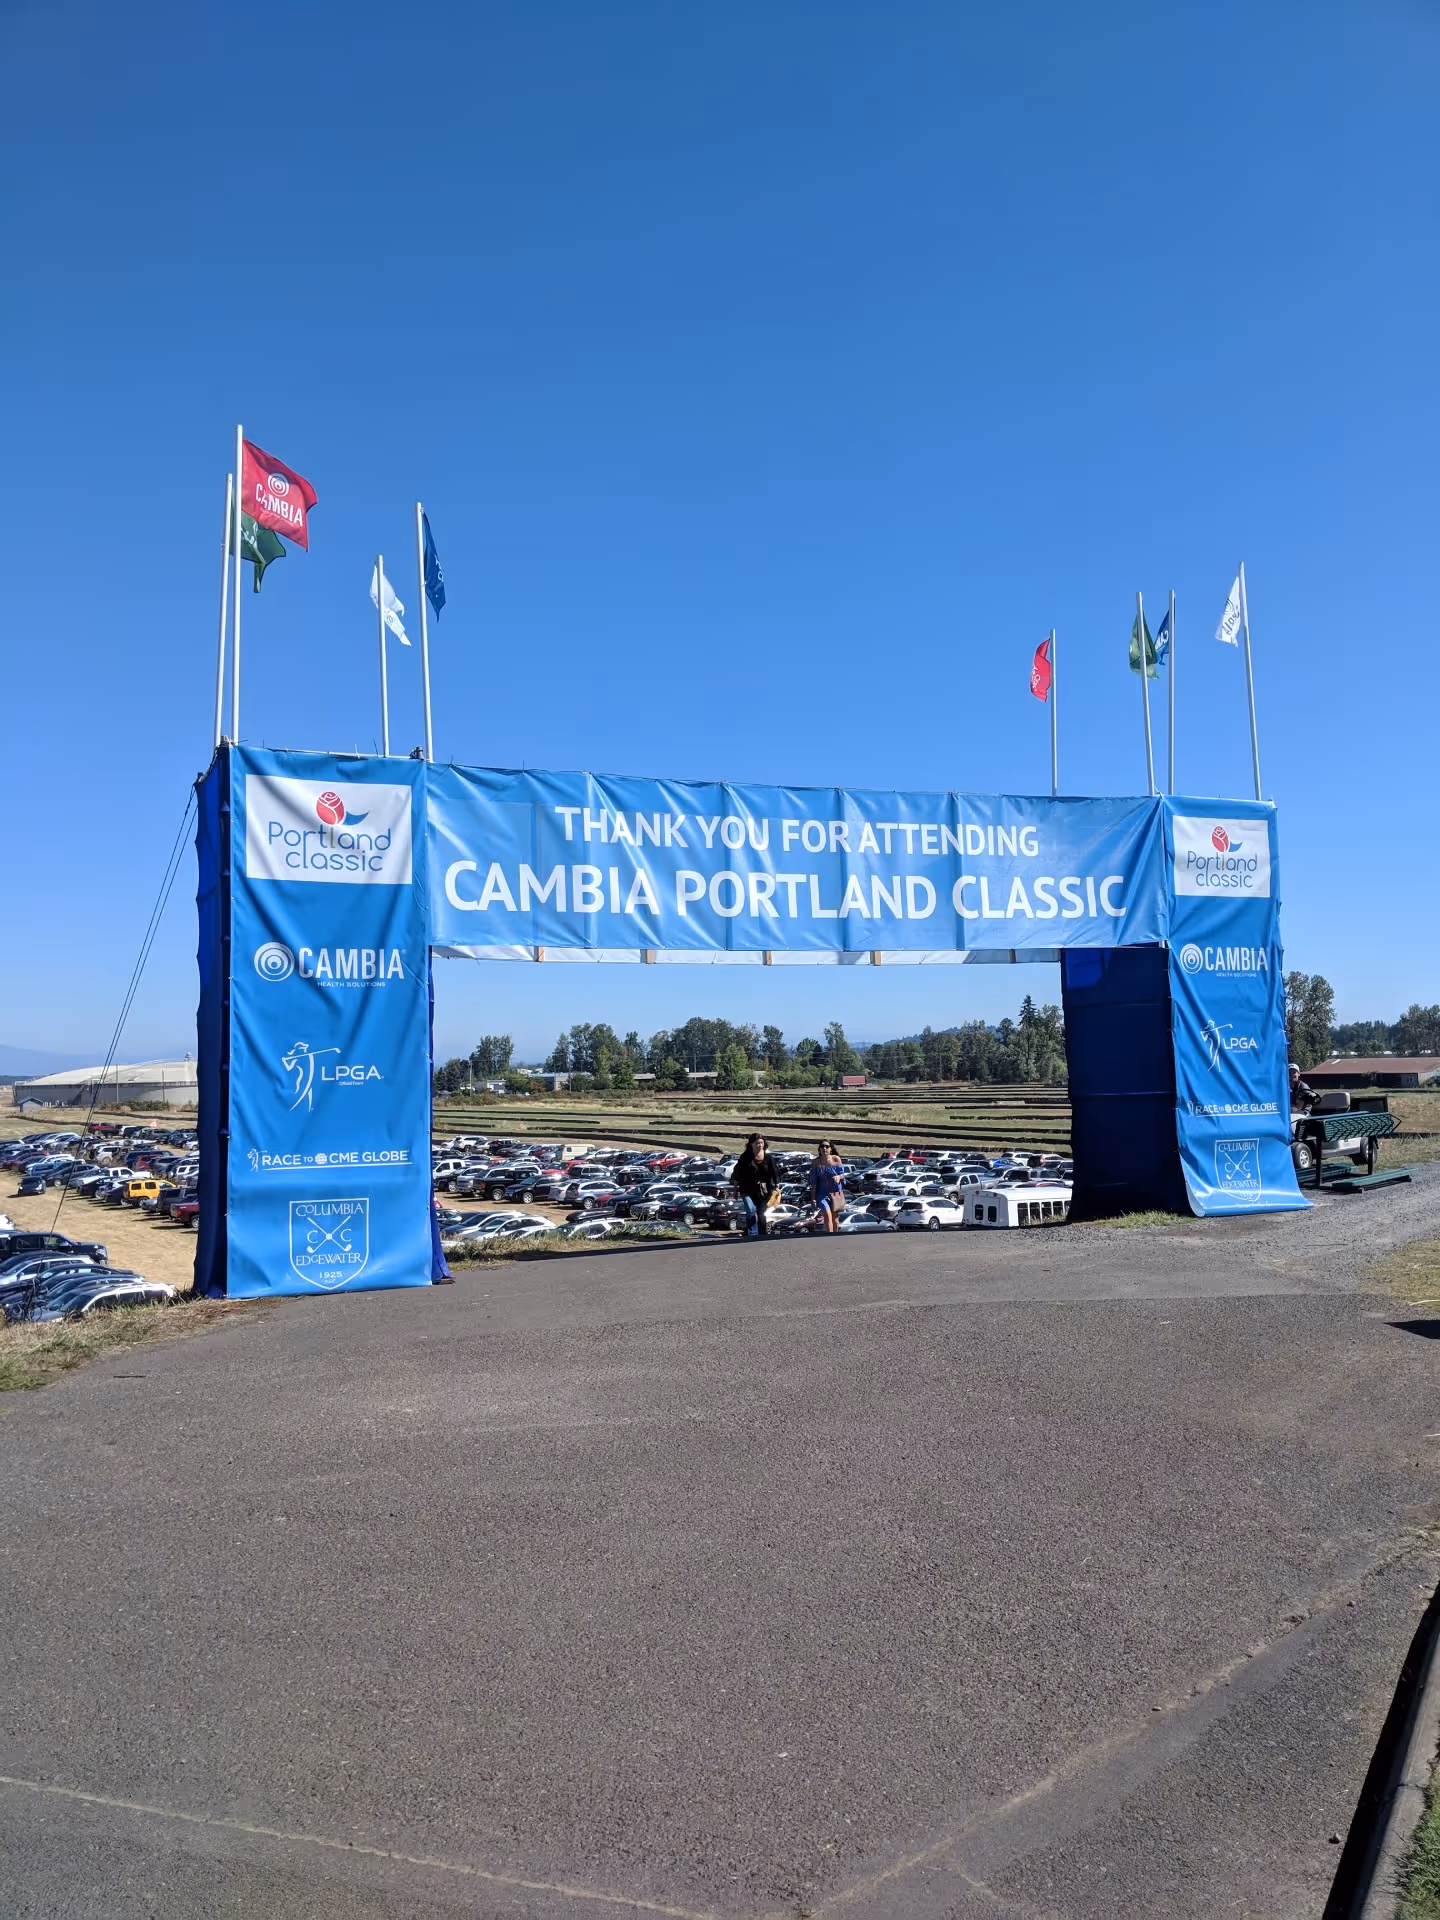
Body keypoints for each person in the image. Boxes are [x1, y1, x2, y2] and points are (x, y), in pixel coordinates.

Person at [732, 1132, 779, 1237]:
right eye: (757, 1143)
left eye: (761, 1143)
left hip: (763, 1190)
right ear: (751, 1144)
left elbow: (774, 1172)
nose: (760, 1145)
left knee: (761, 1212)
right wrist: (735, 1190)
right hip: (746, 1189)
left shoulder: (768, 1158)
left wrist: (777, 1185)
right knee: (751, 1210)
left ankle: (762, 1234)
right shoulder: (745, 1158)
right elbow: (737, 1173)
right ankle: (752, 1233)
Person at [809, 1140, 845, 1233]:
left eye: (827, 1146)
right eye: (822, 1146)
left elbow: (843, 1175)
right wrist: (813, 1198)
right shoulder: (816, 1162)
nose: (824, 1148)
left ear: (831, 1148)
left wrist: (838, 1177)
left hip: (835, 1193)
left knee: (835, 1218)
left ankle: (835, 1236)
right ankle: (829, 1236)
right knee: (827, 1215)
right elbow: (814, 1181)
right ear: (819, 1149)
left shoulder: (836, 1159)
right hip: (822, 1194)